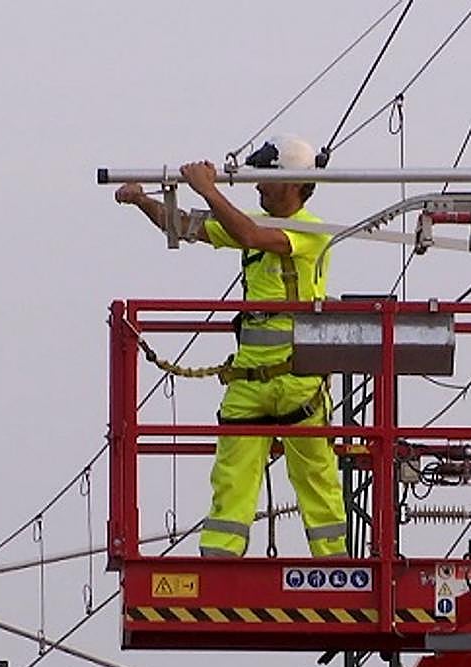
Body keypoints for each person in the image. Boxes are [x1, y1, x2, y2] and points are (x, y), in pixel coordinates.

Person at [114, 135, 347, 558]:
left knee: (317, 480)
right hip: (250, 377)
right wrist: (143, 202)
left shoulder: (311, 233)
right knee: (231, 478)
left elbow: (253, 236)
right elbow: (187, 225)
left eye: (265, 179)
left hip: (299, 379)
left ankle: (336, 566)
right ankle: (220, 562)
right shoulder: (256, 225)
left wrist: (208, 187)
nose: (257, 186)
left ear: (293, 185)